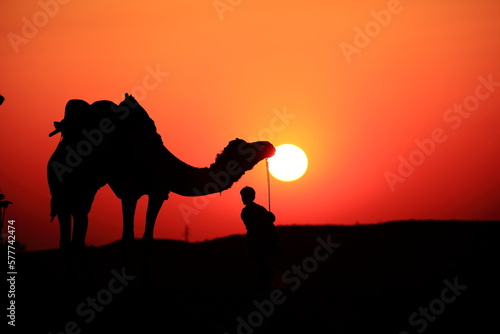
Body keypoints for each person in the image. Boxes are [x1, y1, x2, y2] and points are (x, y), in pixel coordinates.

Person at [240, 186, 280, 290]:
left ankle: (267, 280)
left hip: (257, 239)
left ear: (251, 196)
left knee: (256, 259)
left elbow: (254, 224)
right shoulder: (258, 209)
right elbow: (272, 218)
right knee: (259, 259)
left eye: (244, 196)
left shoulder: (247, 211)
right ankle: (267, 282)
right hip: (262, 238)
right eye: (242, 196)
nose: (243, 198)